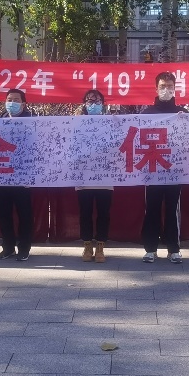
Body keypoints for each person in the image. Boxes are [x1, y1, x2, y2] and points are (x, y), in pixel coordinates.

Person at [141, 71, 186, 263]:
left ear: (175, 88)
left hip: (174, 171)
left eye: (169, 86)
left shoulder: (182, 112)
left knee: (172, 210)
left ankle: (173, 249)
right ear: (156, 88)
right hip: (152, 170)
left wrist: (185, 122)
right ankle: (150, 249)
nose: (166, 90)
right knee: (151, 208)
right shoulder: (147, 113)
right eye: (162, 86)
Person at [0, 88, 35, 261]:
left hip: (22, 176)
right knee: (3, 214)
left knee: (24, 214)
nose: (12, 103)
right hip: (1, 175)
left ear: (24, 104)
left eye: (16, 100)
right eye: (9, 99)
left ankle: (24, 248)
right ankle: (8, 247)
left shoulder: (33, 122)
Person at [76, 89, 112, 263]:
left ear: (103, 104)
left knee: (104, 213)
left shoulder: (111, 123)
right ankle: (87, 246)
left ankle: (101, 246)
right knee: (85, 212)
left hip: (105, 176)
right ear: (84, 104)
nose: (93, 104)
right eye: (90, 101)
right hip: (83, 176)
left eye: (97, 101)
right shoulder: (76, 124)